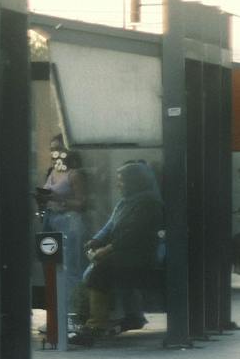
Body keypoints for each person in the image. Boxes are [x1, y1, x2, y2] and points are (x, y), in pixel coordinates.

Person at [69, 160, 164, 345]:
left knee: (100, 272)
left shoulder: (149, 203)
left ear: (135, 181)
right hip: (125, 254)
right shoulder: (125, 203)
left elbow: (133, 234)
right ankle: (121, 316)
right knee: (100, 270)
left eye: (122, 181)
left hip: (140, 257)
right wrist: (95, 241)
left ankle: (96, 325)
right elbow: (110, 226)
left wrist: (105, 250)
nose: (118, 185)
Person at [35, 133, 89, 317]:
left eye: (59, 149)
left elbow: (82, 202)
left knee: (70, 267)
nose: (55, 153)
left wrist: (59, 200)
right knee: (50, 267)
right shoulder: (52, 172)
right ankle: (56, 313)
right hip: (50, 220)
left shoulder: (73, 174)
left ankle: (73, 312)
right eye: (52, 149)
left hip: (68, 220)